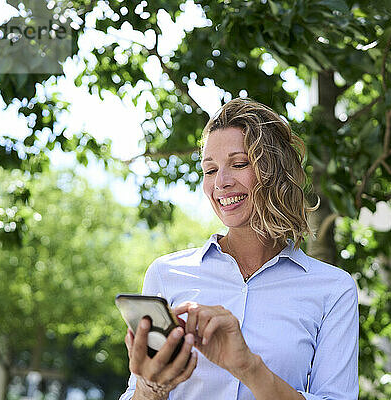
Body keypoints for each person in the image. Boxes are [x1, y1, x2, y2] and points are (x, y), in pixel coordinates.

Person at [119, 98, 359, 400]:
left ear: (274, 171)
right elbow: (137, 393)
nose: (221, 182)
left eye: (240, 164)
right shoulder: (166, 274)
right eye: (210, 170)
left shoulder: (333, 289)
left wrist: (248, 366)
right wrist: (150, 388)